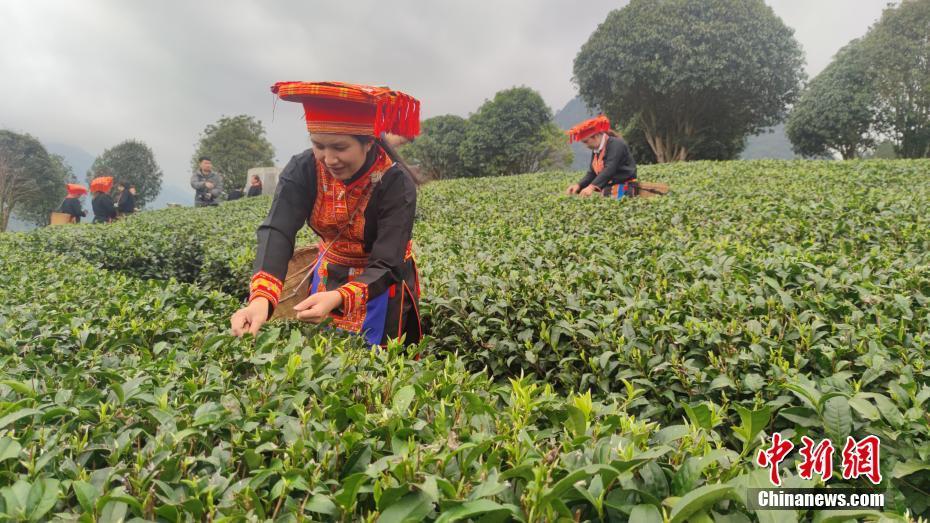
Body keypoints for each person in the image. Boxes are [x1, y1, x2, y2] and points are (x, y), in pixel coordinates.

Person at [231, 81, 423, 348]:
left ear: (368, 142)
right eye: (318, 145)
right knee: (324, 361)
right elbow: (278, 230)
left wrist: (339, 298)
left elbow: (388, 260)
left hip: (381, 282)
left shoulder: (395, 182)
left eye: (340, 148)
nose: (328, 158)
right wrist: (261, 299)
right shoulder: (303, 168)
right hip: (328, 273)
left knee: (380, 368)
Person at [565, 115, 638, 199]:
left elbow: (610, 168)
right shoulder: (596, 150)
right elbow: (592, 173)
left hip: (625, 186)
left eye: (586, 142)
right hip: (608, 188)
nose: (585, 146)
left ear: (595, 137)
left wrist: (591, 187)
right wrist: (578, 186)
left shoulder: (616, 144)